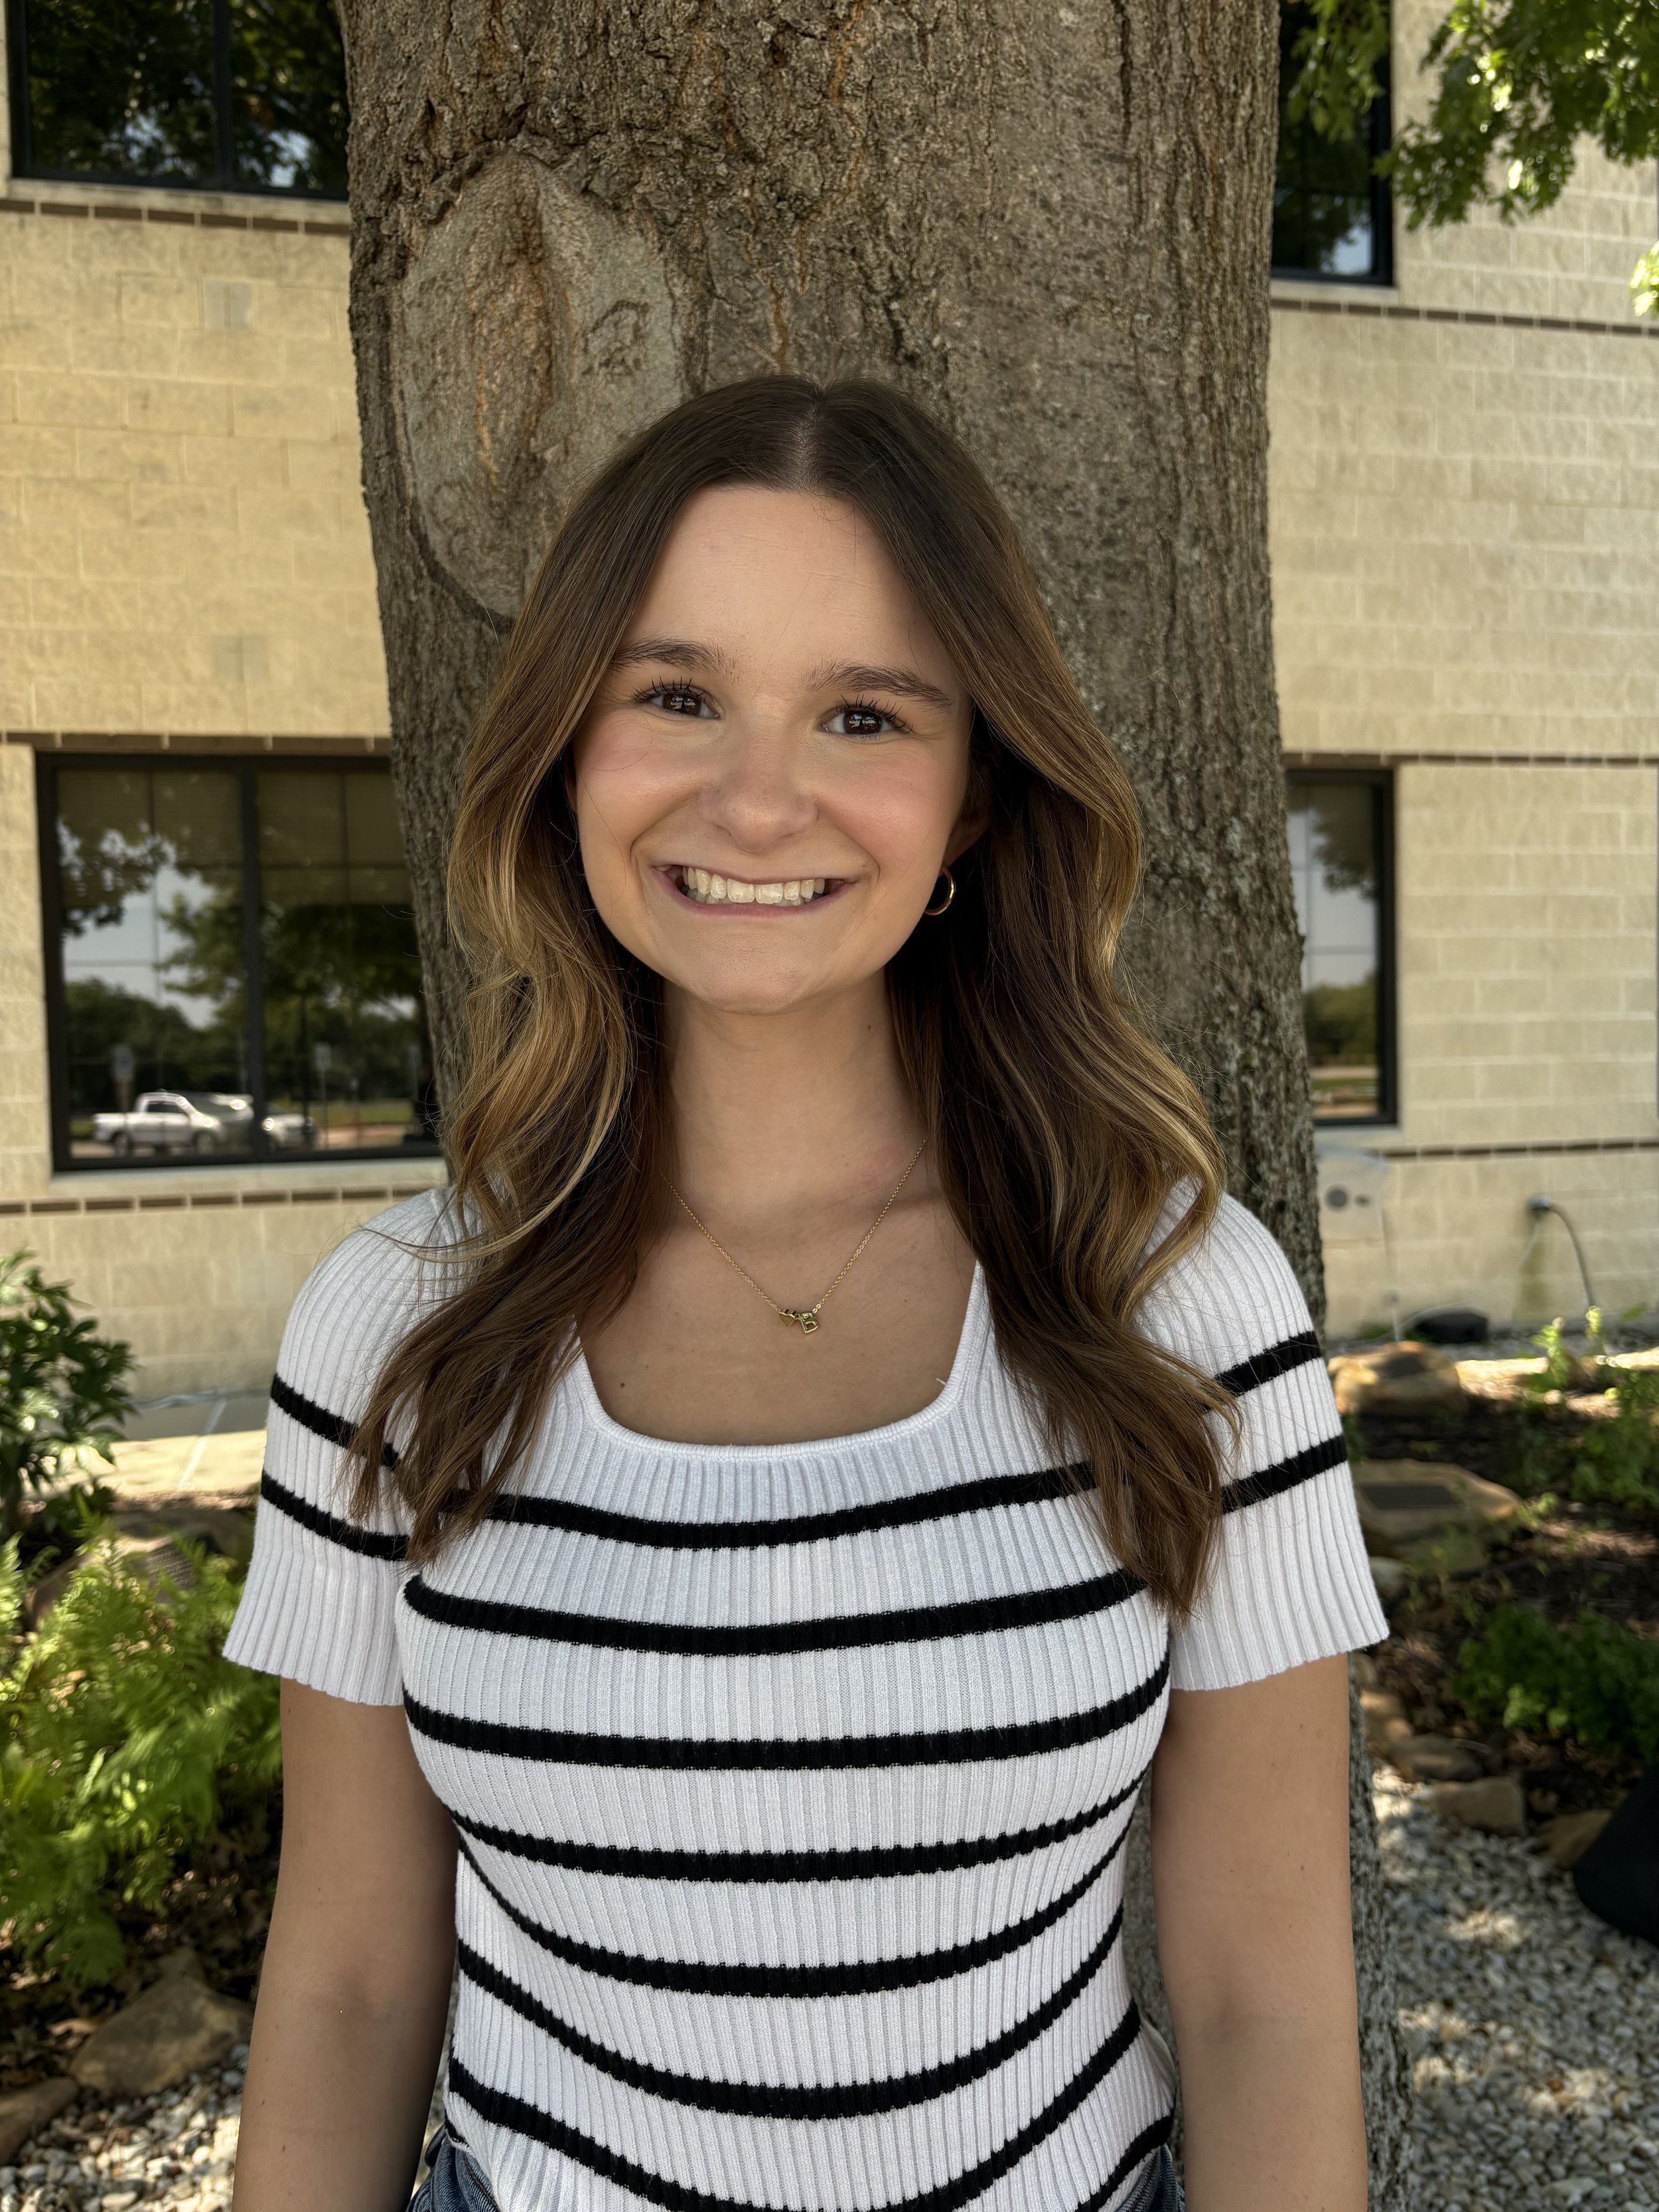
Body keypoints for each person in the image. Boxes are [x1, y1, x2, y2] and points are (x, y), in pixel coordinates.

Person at [226, 377, 1386, 2212]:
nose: (756, 800)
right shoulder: (393, 1331)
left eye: (861, 713)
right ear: (568, 751)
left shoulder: (1174, 1304)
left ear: (975, 798)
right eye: (674, 694)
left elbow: (1261, 2008)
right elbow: (356, 1979)